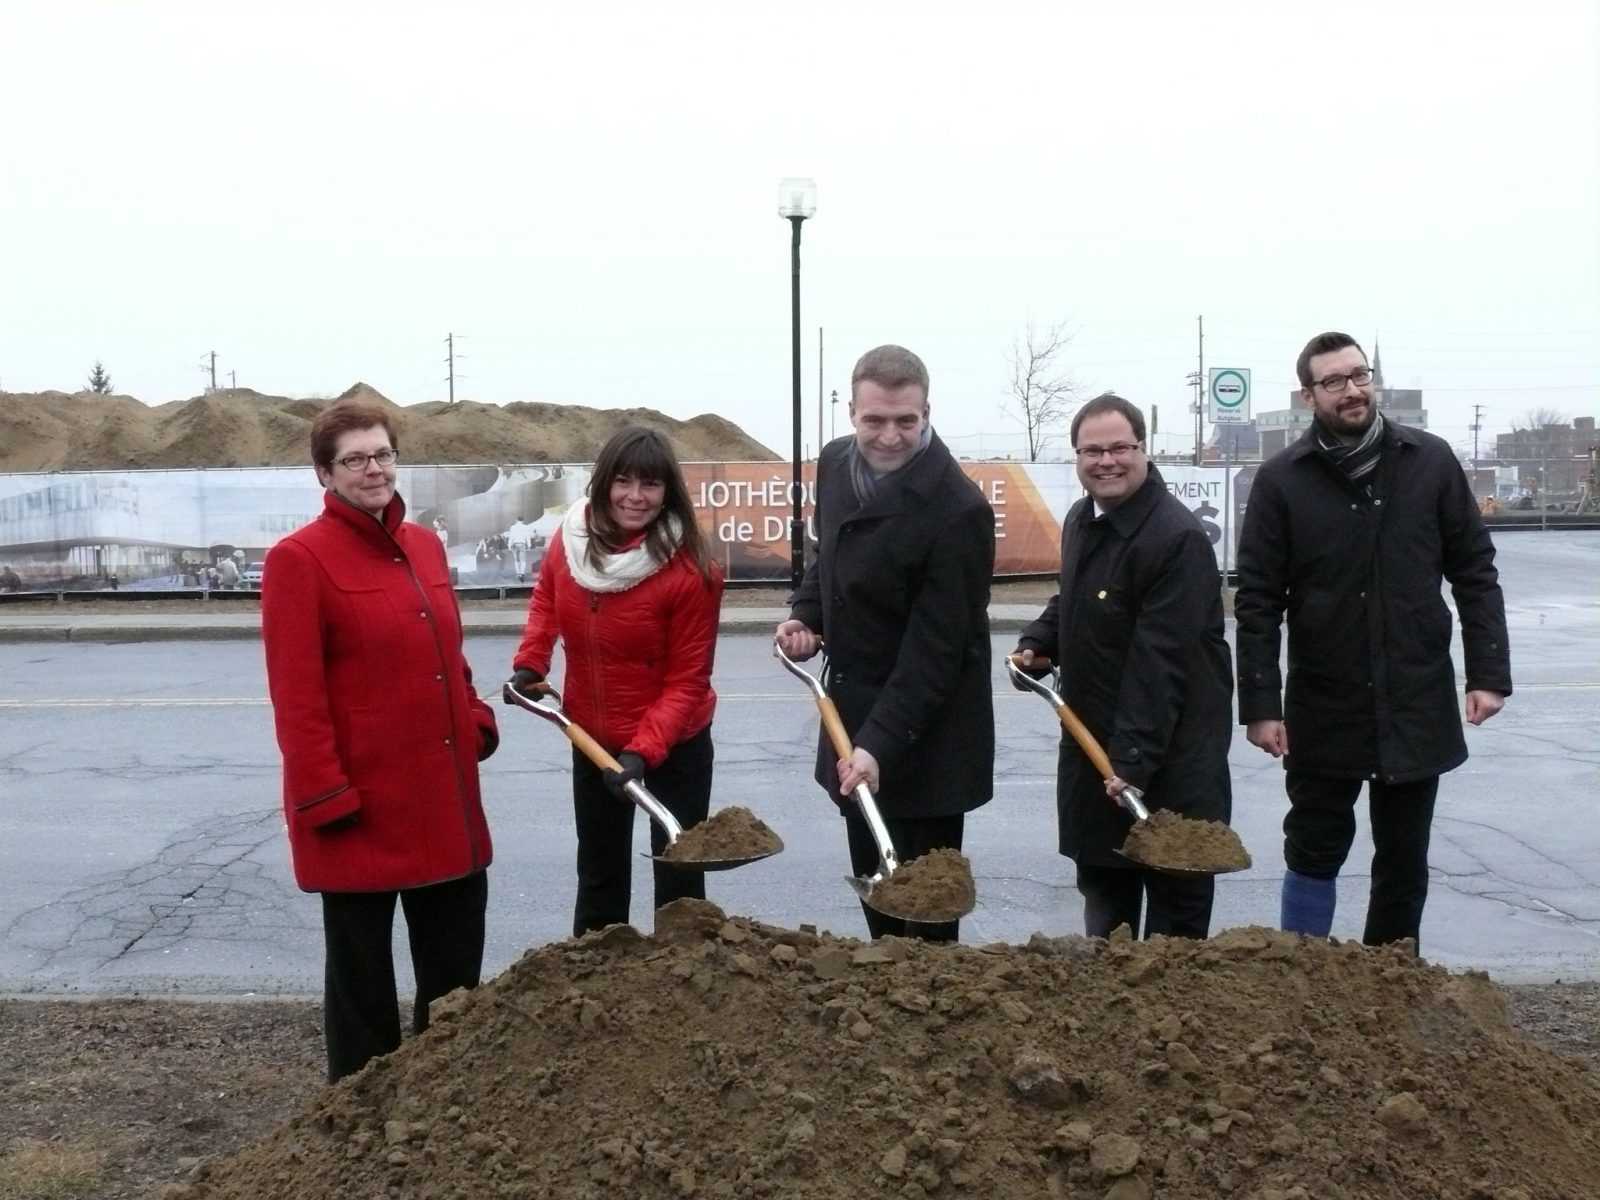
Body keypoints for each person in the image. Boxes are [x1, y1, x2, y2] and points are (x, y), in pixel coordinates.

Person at [1235, 331, 1512, 951]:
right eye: (1334, 381)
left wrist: (1488, 673)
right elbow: (1257, 600)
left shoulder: (1431, 461)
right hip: (1324, 703)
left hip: (1415, 696)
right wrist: (1260, 706)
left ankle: (1392, 989)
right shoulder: (1283, 481)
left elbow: (1474, 570)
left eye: (1359, 375)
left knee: (1404, 857)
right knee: (1313, 847)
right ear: (1309, 396)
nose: (1352, 390)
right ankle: (1301, 977)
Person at [262, 399, 500, 1082]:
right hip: (359, 810)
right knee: (363, 993)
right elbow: (297, 699)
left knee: (454, 989)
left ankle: (442, 1108)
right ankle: (358, 1130)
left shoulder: (424, 545)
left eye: (383, 454)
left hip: (442, 802)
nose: (374, 469)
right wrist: (325, 797)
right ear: (324, 475)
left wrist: (474, 716)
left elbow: (445, 652)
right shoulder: (299, 560)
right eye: (355, 459)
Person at [775, 344, 995, 943]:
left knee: (925, 922)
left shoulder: (959, 510)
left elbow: (938, 649)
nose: (890, 436)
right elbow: (829, 556)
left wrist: (878, 744)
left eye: (906, 420)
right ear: (852, 412)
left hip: (929, 741)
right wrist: (806, 615)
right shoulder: (837, 462)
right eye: (875, 420)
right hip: (857, 719)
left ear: (927, 412)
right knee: (877, 897)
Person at [1013, 393, 1233, 940]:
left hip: (1170, 764)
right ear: (1077, 458)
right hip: (1098, 755)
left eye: (1119, 448)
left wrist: (1132, 762)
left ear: (1143, 449)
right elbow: (1073, 599)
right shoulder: (1083, 520)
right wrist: (1037, 646)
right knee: (1106, 914)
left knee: (1173, 932)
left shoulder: (1174, 539)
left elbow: (1162, 664)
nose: (1106, 461)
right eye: (1092, 451)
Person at [508, 426, 724, 937]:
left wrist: (642, 752)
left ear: (667, 491)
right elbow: (546, 597)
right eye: (623, 481)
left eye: (649, 485)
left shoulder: (692, 569)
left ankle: (681, 983)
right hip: (593, 735)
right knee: (600, 873)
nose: (634, 496)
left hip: (675, 744)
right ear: (604, 483)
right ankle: (595, 983)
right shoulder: (573, 539)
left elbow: (687, 680)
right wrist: (531, 662)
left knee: (678, 879)